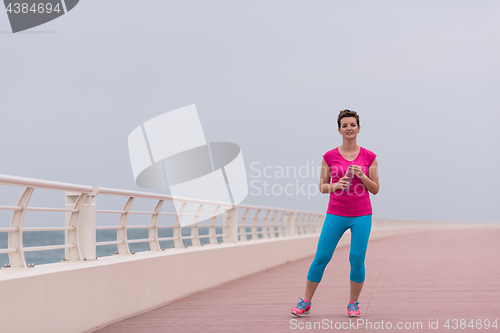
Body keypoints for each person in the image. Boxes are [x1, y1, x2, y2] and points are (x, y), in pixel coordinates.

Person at [290, 109, 379, 317]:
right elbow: (322, 186)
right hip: (336, 213)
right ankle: (306, 302)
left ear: (359, 128)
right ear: (339, 130)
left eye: (352, 125)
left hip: (361, 215)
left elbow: (375, 188)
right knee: (321, 256)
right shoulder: (329, 157)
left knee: (356, 258)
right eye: (345, 125)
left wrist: (362, 176)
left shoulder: (370, 157)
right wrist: (337, 185)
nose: (349, 128)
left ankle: (353, 303)